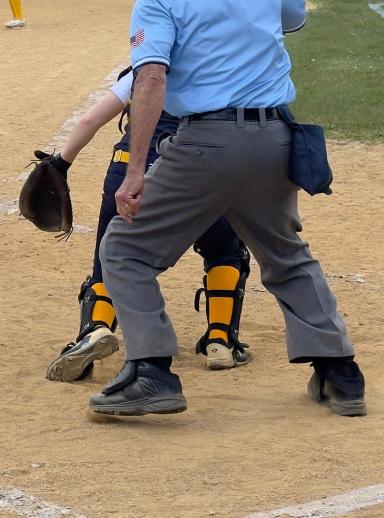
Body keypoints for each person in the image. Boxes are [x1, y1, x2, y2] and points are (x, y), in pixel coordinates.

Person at [89, 0, 365, 417]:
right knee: (286, 255)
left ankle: (151, 372)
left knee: (123, 249)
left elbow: (149, 81)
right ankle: (340, 373)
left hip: (206, 144)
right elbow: (294, 20)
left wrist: (136, 169)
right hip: (275, 138)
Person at [43, 66, 251, 382]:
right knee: (225, 251)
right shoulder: (217, 67)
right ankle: (220, 341)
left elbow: (89, 120)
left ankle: (96, 329)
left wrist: (60, 163)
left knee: (108, 260)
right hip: (199, 172)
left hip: (128, 173)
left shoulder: (146, 71)